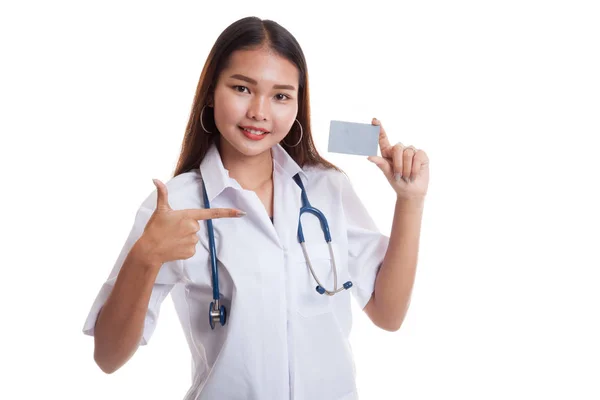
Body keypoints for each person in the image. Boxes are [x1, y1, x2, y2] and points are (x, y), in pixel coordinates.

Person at [82, 15, 429, 400]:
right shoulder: (175, 206)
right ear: (212, 91)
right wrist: (145, 257)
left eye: (281, 95)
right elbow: (108, 358)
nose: (260, 112)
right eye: (242, 88)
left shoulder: (327, 188)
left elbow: (388, 314)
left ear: (299, 104)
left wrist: (409, 201)